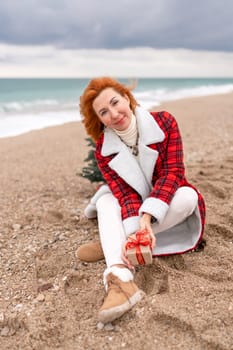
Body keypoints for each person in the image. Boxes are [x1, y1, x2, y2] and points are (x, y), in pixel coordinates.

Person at [77, 77, 205, 325]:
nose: (114, 114)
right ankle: (120, 278)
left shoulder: (164, 122)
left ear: (127, 97)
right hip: (133, 207)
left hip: (167, 198)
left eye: (115, 102)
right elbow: (126, 194)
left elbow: (172, 173)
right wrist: (138, 229)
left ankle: (111, 242)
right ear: (99, 119)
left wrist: (146, 220)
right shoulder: (103, 149)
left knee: (188, 197)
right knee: (106, 203)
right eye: (104, 112)